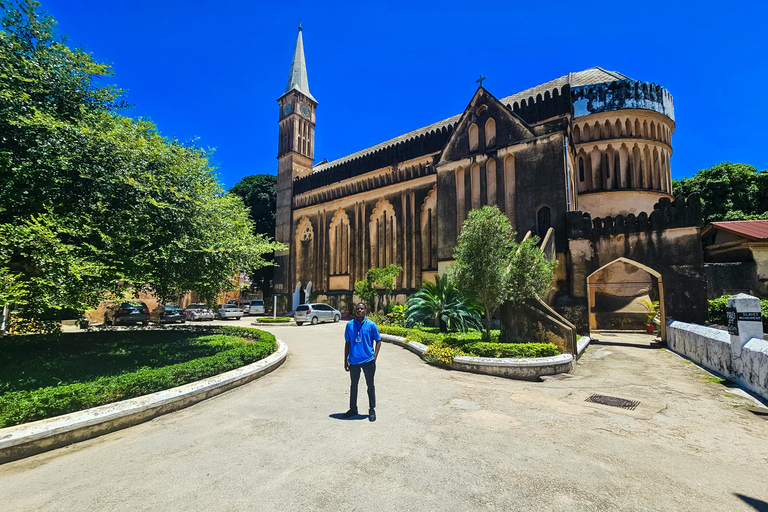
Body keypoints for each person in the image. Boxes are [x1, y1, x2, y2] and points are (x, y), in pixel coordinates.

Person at [343, 302, 381, 421]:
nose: (359, 310)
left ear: (365, 311)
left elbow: (378, 340)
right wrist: (345, 360)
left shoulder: (371, 325)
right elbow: (347, 343)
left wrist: (374, 357)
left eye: (362, 309)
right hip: (354, 361)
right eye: (358, 309)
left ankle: (371, 409)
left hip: (368, 361)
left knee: (370, 385)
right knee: (353, 385)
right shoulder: (349, 325)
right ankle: (353, 408)